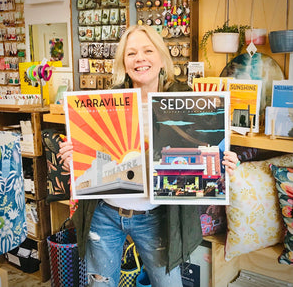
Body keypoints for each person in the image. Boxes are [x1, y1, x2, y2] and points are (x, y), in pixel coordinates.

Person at [59, 25, 239, 287]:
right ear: (123, 62)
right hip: (104, 215)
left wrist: (222, 162)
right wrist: (73, 158)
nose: (139, 58)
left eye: (147, 50)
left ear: (161, 57)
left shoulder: (184, 99)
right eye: (131, 53)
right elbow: (88, 156)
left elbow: (204, 153)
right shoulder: (106, 101)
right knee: (100, 284)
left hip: (155, 217)